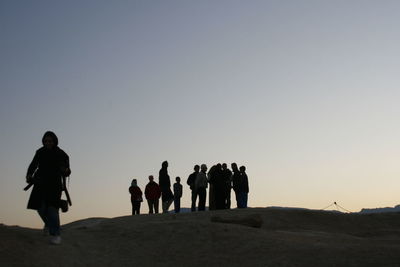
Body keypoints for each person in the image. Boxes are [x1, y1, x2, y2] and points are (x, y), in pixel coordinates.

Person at [26, 131, 71, 245]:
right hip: (40, 183)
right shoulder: (40, 152)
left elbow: (66, 168)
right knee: (40, 207)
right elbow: (33, 165)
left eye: (50, 141)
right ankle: (49, 224)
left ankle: (56, 235)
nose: (48, 143)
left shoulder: (61, 153)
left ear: (54, 141)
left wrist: (66, 170)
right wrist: (29, 174)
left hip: (54, 185)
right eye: (46, 141)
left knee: (52, 209)